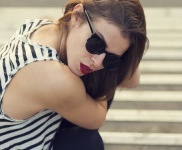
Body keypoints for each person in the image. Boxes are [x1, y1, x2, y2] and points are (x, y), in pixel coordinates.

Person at [0, 0, 148, 149]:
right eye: (97, 44)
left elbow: (132, 81)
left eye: (111, 58)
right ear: (77, 16)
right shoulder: (56, 78)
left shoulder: (44, 26)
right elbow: (97, 119)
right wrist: (112, 62)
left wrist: (125, 50)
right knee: (87, 143)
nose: (97, 62)